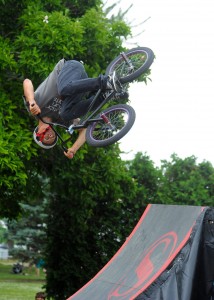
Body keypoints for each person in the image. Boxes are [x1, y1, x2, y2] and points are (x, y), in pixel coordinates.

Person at [23, 59, 118, 159]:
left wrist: (31, 101)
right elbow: (85, 129)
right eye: (52, 137)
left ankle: (105, 81)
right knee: (66, 114)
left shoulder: (35, 109)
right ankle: (104, 95)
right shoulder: (61, 120)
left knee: (63, 90)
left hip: (69, 68)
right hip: (81, 82)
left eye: (46, 138)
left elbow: (27, 81)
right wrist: (74, 148)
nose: (50, 136)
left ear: (38, 133)